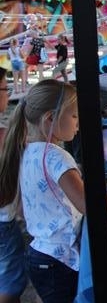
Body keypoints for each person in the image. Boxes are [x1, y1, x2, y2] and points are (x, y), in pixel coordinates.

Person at [0, 79, 107, 302]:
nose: (79, 123)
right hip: (59, 262)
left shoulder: (28, 151)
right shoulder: (56, 157)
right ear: (50, 118)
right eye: (75, 116)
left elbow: (32, 203)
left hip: (41, 255)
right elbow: (88, 205)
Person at [0, 67, 28, 303]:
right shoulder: (4, 137)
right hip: (3, 222)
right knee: (12, 280)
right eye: (5, 89)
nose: (7, 95)